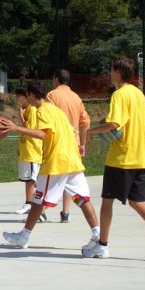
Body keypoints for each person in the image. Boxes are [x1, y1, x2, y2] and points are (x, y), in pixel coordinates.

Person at [83, 57, 145, 261]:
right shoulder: (138, 94)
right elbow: (144, 119)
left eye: (111, 70)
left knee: (107, 201)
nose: (110, 74)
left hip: (121, 158)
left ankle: (102, 245)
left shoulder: (119, 94)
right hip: (139, 156)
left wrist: (90, 131)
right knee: (137, 201)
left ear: (118, 72)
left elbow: (114, 124)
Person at [0, 82, 100, 250]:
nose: (28, 99)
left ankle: (23, 237)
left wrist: (16, 127)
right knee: (83, 199)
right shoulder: (57, 111)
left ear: (32, 95)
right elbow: (70, 131)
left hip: (57, 162)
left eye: (28, 96)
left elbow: (42, 134)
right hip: (72, 160)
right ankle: (99, 238)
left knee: (38, 200)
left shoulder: (43, 110)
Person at [47, 69, 91, 223]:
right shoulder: (76, 97)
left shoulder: (52, 95)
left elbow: (48, 118)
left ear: (56, 79)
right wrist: (82, 143)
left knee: (50, 177)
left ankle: (40, 210)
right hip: (74, 143)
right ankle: (65, 213)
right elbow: (86, 122)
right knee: (70, 179)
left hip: (59, 143)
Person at [13, 87, 44, 219]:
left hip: (32, 150)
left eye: (19, 96)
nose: (17, 99)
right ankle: (30, 202)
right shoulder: (27, 110)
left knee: (31, 180)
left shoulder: (32, 110)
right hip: (26, 150)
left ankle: (30, 203)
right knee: (28, 179)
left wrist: (21, 117)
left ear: (26, 97)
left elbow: (30, 130)